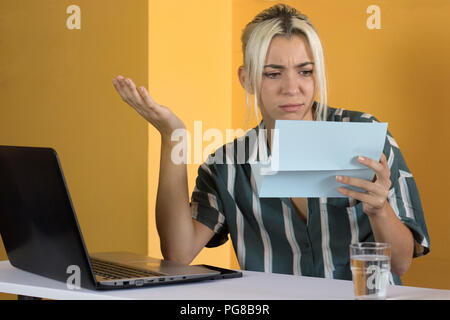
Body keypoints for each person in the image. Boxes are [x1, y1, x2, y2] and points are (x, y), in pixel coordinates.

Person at [111, 4, 430, 284]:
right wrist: (173, 137)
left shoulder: (367, 136)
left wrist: (379, 210)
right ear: (246, 78)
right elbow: (178, 253)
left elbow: (400, 263)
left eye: (305, 72)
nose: (292, 89)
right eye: (273, 74)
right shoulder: (228, 164)